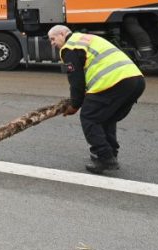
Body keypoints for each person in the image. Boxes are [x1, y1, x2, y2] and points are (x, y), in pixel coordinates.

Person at [48, 25, 145, 175]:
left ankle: (105, 158)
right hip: (136, 80)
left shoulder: (70, 47)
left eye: (53, 39)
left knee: (89, 117)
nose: (52, 43)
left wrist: (74, 105)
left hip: (113, 82)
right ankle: (109, 153)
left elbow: (76, 81)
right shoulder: (88, 39)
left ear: (62, 33)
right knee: (106, 118)